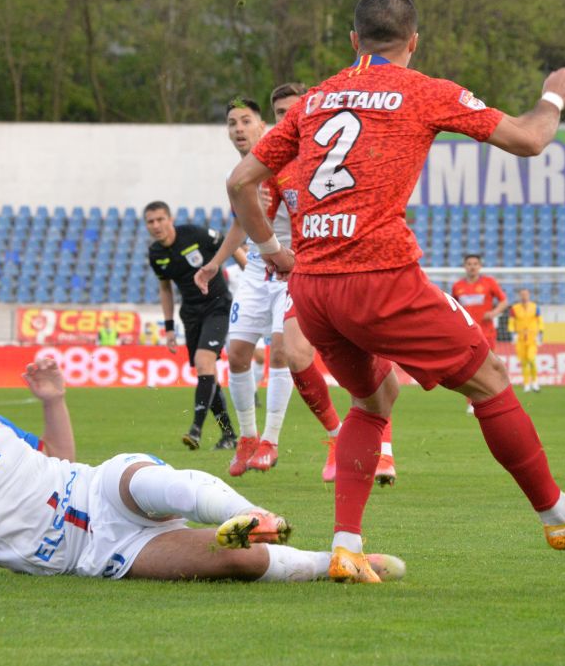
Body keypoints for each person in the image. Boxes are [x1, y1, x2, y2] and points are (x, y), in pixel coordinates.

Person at [227, 0, 565, 582]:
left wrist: (273, 250)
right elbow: (529, 139)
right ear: (413, 41)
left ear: (353, 41)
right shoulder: (424, 91)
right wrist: (553, 96)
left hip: (313, 288)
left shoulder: (314, 101)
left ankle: (346, 546)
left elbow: (239, 183)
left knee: (373, 400)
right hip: (379, 276)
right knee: (489, 380)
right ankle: (558, 513)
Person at [0, 356, 405, 585]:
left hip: (95, 487)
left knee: (159, 483)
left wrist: (53, 400)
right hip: (93, 553)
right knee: (234, 564)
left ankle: (251, 513)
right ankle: (337, 562)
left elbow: (58, 456)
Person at [261, 82, 398, 485]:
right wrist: (273, 252)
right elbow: (266, 218)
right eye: (279, 113)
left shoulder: (349, 150)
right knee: (293, 351)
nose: (287, 119)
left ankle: (385, 452)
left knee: (367, 350)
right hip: (308, 270)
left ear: (311, 111)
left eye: (293, 110)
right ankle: (339, 438)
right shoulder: (275, 168)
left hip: (357, 265)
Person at [192, 98, 297, 476]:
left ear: (262, 125)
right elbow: (241, 224)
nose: (238, 128)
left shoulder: (288, 163)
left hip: (289, 268)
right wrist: (215, 263)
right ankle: (247, 439)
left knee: (281, 352)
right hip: (255, 271)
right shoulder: (238, 174)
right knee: (236, 356)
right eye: (232, 122)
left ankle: (271, 439)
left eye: (246, 120)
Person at [144, 201, 237, 450]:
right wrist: (169, 328)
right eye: (151, 222)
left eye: (160, 219)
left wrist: (250, 276)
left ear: (170, 219)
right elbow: (165, 289)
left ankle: (195, 429)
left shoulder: (194, 234)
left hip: (218, 305)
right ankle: (229, 436)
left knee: (204, 362)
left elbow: (231, 243)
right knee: (207, 374)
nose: (156, 226)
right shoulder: (156, 254)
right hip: (191, 313)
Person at [452, 254, 508, 413]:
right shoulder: (458, 286)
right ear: (465, 266)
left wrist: (494, 312)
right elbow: (453, 307)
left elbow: (504, 301)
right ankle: (471, 402)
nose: (472, 266)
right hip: (466, 333)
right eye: (469, 263)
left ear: (480, 266)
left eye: (475, 263)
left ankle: (492, 398)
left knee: (488, 367)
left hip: (487, 332)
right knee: (467, 368)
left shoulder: (489, 283)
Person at [509, 289, 545, 392]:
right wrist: (513, 334)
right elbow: (511, 322)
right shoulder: (514, 308)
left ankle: (535, 382)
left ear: (529, 295)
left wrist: (540, 334)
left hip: (532, 338)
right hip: (520, 339)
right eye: (522, 294)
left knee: (531, 359)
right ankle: (526, 384)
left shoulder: (535, 307)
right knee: (524, 362)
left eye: (526, 294)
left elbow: (540, 320)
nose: (524, 296)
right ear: (519, 296)